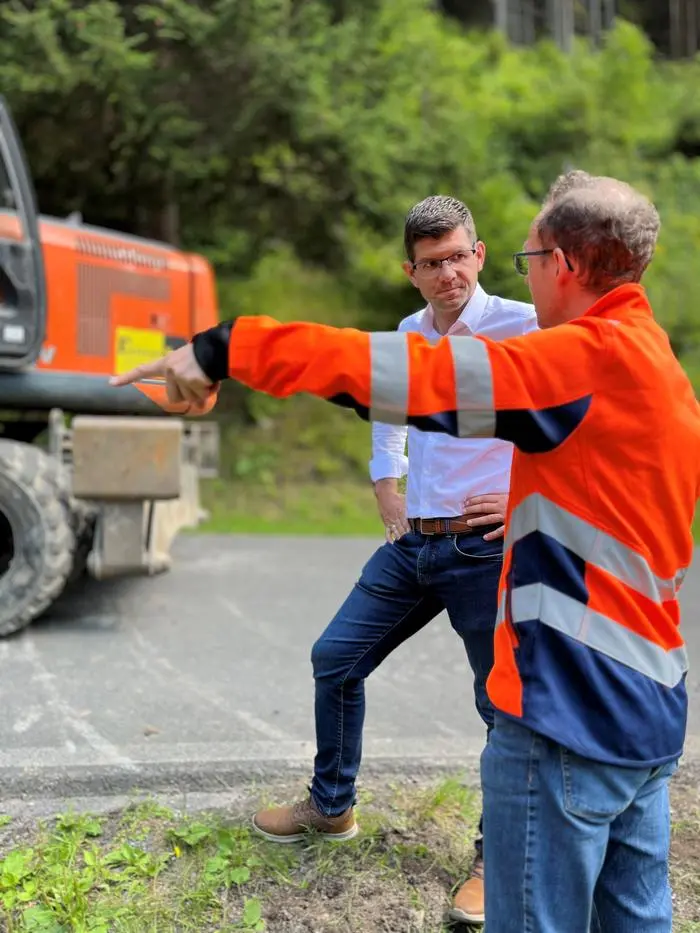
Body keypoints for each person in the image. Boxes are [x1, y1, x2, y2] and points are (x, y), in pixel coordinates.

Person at [112, 171, 700, 933]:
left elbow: (403, 377)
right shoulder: (658, 367)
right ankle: (331, 801)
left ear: (566, 263)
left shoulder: (579, 361)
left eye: (525, 257)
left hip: (567, 719)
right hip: (646, 719)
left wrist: (225, 347)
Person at [252, 195, 534, 925]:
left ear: (479, 252)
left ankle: (496, 859)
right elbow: (387, 410)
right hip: (415, 542)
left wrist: (520, 501)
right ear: (412, 271)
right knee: (335, 656)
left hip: (487, 547)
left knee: (502, 705)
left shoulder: (524, 328)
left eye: (460, 256)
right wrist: (387, 486)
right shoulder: (408, 333)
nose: (450, 274)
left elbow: (573, 423)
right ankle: (331, 805)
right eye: (433, 263)